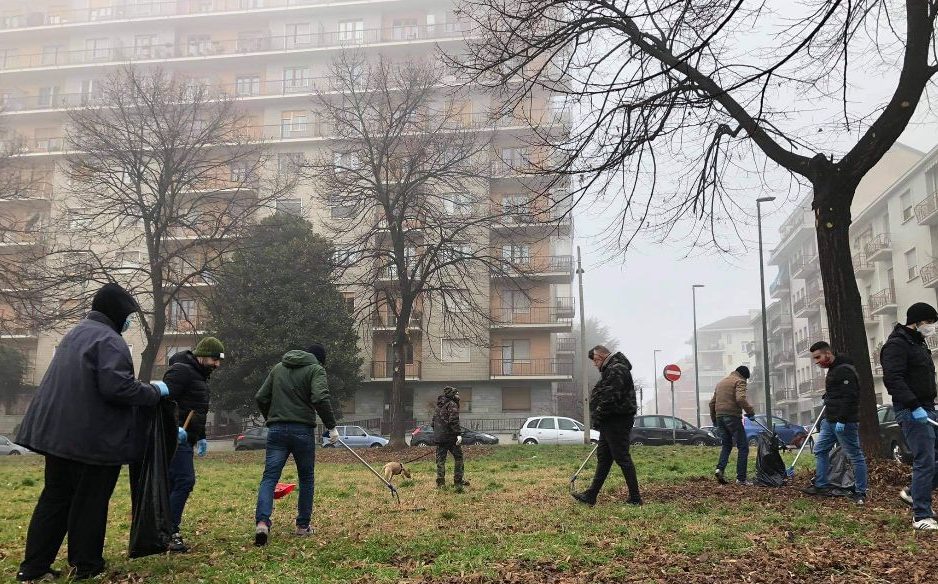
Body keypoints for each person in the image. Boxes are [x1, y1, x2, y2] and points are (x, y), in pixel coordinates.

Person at [14, 283, 170, 581]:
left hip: (59, 436)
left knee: (55, 498)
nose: (129, 322)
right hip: (92, 440)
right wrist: (153, 392)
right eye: (129, 316)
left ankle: (33, 568)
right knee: (91, 502)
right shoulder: (110, 340)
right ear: (116, 312)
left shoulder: (76, 334)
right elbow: (117, 388)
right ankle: (86, 565)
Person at [253, 344, 338, 546]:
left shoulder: (278, 368)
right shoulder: (316, 369)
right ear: (320, 360)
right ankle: (302, 526)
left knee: (270, 477)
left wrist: (271, 417)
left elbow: (261, 396)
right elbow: (320, 397)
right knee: (306, 478)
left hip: (276, 431)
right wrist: (331, 426)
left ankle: (262, 523)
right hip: (302, 431)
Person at [162, 336, 225, 552]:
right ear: (203, 355)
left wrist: (201, 436)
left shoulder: (199, 376)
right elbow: (163, 403)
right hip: (174, 438)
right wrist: (173, 429)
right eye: (215, 359)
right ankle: (169, 531)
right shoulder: (181, 372)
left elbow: (197, 410)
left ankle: (163, 530)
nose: (217, 364)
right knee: (184, 481)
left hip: (187, 437)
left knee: (174, 483)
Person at [882, 302, 938, 530]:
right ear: (917, 322)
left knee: (931, 459)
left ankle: (913, 493)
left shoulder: (919, 343)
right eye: (929, 322)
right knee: (924, 459)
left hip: (928, 406)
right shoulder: (896, 345)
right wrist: (913, 405)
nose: (932, 327)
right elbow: (893, 379)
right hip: (911, 410)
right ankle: (921, 515)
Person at [571, 345, 641, 506]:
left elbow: (610, 397)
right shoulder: (612, 369)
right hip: (609, 420)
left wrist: (598, 415)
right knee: (604, 458)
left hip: (617, 420)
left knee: (622, 457)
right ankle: (591, 495)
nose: (595, 364)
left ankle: (635, 498)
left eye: (595, 360)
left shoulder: (617, 369)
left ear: (602, 357)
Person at [803, 342, 868, 504]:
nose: (817, 362)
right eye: (814, 358)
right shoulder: (833, 369)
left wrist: (843, 419)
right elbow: (838, 393)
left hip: (844, 421)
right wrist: (828, 398)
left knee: (854, 455)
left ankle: (860, 491)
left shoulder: (844, 370)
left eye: (818, 357)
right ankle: (821, 484)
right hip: (830, 420)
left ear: (828, 353)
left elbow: (850, 396)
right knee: (820, 449)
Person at [709, 366, 756, 486]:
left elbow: (712, 403)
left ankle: (719, 469)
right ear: (744, 376)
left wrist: (714, 419)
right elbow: (740, 399)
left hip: (720, 417)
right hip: (732, 417)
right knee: (743, 446)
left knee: (726, 445)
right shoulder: (739, 381)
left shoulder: (721, 383)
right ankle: (741, 479)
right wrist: (750, 411)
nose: (745, 382)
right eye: (746, 379)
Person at [433, 386, 468, 491]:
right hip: (451, 438)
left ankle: (440, 484)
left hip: (440, 438)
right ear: (452, 395)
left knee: (440, 460)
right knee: (459, 458)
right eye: (457, 394)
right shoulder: (452, 404)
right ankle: (458, 481)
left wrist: (438, 434)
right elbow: (453, 421)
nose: (458, 396)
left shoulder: (439, 406)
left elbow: (433, 422)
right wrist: (458, 434)